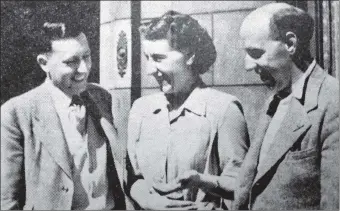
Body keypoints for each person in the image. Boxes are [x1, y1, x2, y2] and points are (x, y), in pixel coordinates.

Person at [126, 10, 249, 210]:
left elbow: (243, 185)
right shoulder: (141, 109)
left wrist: (203, 182)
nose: (149, 69)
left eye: (158, 58)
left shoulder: (224, 110)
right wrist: (150, 201)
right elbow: (133, 178)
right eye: (147, 57)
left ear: (190, 55)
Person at [1, 20, 129, 210]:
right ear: (44, 63)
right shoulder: (16, 113)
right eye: (72, 62)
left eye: (87, 57)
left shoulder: (102, 98)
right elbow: (7, 199)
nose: (84, 69)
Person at [233, 3, 339, 210]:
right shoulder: (276, 97)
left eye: (256, 52)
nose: (247, 66)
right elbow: (259, 181)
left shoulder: (333, 103)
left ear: (291, 43)